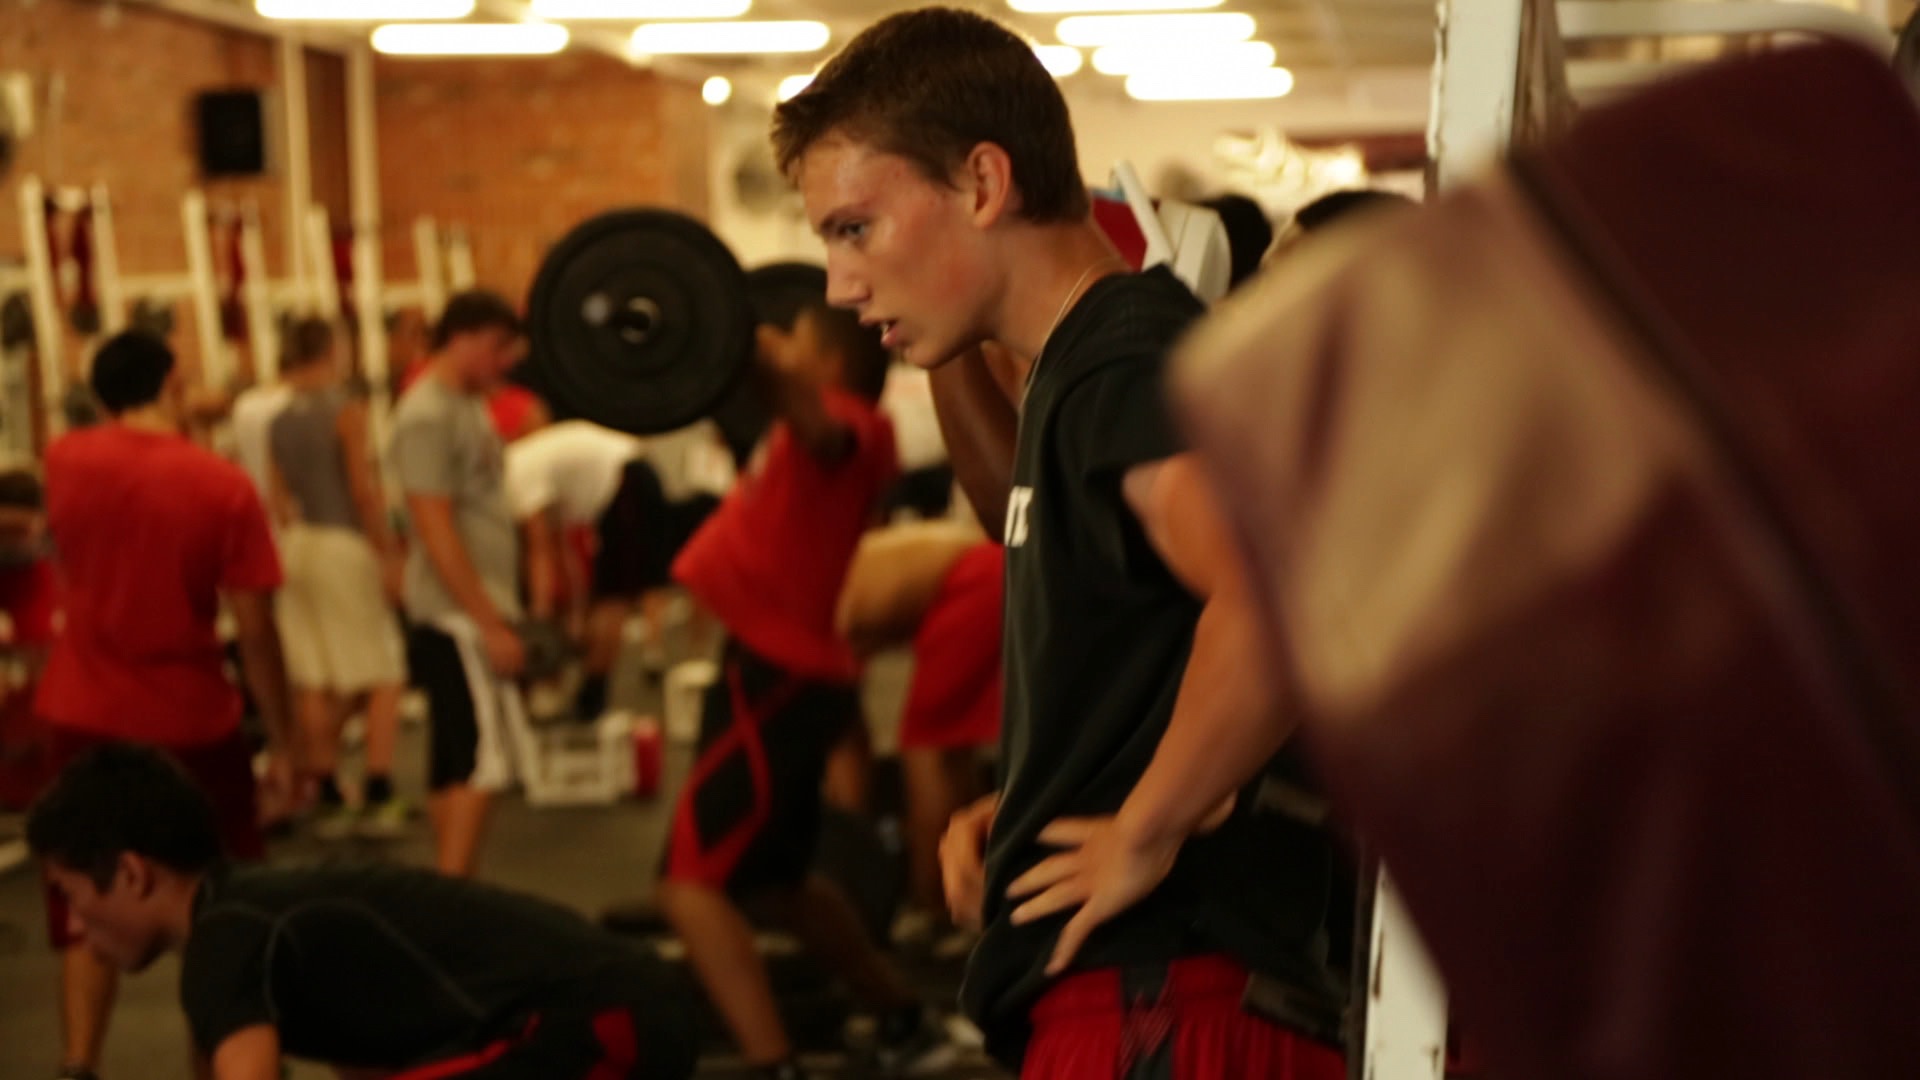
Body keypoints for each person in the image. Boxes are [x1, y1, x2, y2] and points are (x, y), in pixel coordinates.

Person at [773, 10, 1346, 1078]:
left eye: (855, 228)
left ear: (984, 185)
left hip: (1168, 1001)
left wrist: (1143, 826)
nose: (840, 285)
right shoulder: (1076, 374)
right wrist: (1058, 794)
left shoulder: (1120, 362)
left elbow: (1277, 595)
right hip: (1143, 995)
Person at [657, 302, 951, 1079]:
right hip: (780, 671)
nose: (781, 345)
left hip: (775, 675)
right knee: (775, 884)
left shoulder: (850, 429)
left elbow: (810, 418)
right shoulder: (808, 426)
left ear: (823, 366)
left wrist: (735, 335)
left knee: (690, 885)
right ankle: (903, 1017)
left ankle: (772, 1063)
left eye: (795, 338)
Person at [27, 742, 697, 1080]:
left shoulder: (223, 942)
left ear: (133, 874)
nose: (77, 928)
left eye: (73, 898)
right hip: (623, 1006)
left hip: (603, 1020)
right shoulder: (252, 910)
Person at [37, 330, 296, 1080]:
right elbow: (255, 628)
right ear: (176, 384)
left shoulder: (63, 458)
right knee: (213, 918)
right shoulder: (222, 484)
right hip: (189, 724)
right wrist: (281, 737)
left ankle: (79, 1064)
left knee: (86, 906)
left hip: (79, 710)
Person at [388, 290, 527, 877]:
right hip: (458, 617)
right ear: (462, 337)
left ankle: (446, 900)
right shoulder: (426, 414)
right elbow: (433, 526)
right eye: (496, 348)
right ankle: (453, 906)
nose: (504, 363)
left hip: (465, 614)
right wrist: (488, 623)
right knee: (481, 766)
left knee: (452, 763)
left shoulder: (466, 403)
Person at [267, 318, 411, 839]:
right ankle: (378, 787)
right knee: (385, 672)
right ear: (333, 348)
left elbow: (279, 500)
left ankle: (326, 788)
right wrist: (388, 553)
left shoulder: (278, 417)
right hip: (342, 543)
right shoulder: (345, 410)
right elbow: (361, 489)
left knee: (316, 675)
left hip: (298, 545)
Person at [836, 522, 1003, 947]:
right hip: (995, 566)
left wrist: (849, 845)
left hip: (974, 578)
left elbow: (846, 745)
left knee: (925, 749)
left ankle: (938, 906)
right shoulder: (821, 575)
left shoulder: (796, 607)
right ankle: (971, 889)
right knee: (950, 753)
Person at [505, 418, 733, 720]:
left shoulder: (515, 477)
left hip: (626, 479)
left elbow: (540, 552)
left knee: (616, 596)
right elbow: (560, 550)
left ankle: (593, 697)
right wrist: (575, 609)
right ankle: (591, 692)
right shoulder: (523, 469)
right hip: (624, 479)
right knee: (609, 593)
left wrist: (539, 620)